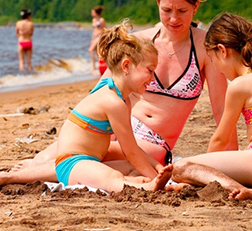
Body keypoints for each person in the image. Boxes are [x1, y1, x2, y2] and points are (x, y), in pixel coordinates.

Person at [0, 0, 232, 188]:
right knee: (53, 155)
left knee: (74, 161)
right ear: (157, 3)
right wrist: (83, 132)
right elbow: (102, 92)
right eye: (166, 10)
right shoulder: (140, 42)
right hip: (113, 126)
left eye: (182, 10)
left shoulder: (205, 49)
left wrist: (227, 163)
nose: (173, 18)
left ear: (195, 6)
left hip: (152, 143)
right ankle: (33, 169)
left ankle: (27, 174)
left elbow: (222, 112)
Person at [168, 13, 252, 198]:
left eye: (213, 59)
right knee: (194, 171)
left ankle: (246, 191)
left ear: (222, 50)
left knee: (180, 168)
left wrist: (204, 167)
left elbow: (220, 139)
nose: (217, 68)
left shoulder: (239, 85)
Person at [51, 21, 172, 193]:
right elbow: (130, 151)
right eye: (150, 70)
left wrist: (158, 167)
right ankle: (147, 186)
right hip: (73, 163)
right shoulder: (113, 101)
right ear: (126, 66)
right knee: (111, 177)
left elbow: (132, 148)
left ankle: (135, 182)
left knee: (132, 168)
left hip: (92, 162)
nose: (153, 78)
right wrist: (156, 179)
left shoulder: (123, 100)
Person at [89, 6, 107, 74]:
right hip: (94, 37)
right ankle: (101, 66)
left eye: (92, 12)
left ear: (96, 12)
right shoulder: (93, 20)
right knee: (97, 52)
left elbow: (104, 29)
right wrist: (92, 39)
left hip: (99, 36)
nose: (91, 13)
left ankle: (93, 65)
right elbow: (94, 30)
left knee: (90, 50)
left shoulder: (101, 20)